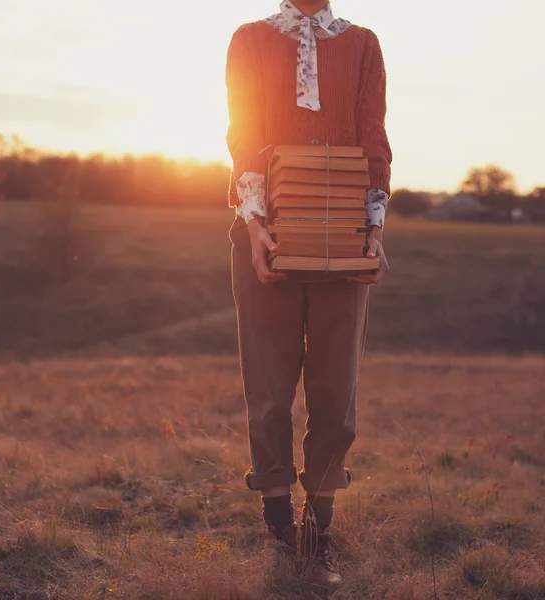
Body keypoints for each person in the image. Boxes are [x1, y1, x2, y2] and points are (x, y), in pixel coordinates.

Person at [225, 0, 392, 586]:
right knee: (268, 384)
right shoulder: (250, 39)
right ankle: (278, 523)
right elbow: (242, 133)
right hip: (267, 233)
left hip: (343, 235)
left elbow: (373, 137)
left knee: (334, 384)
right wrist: (254, 226)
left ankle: (319, 532)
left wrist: (373, 230)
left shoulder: (363, 43)